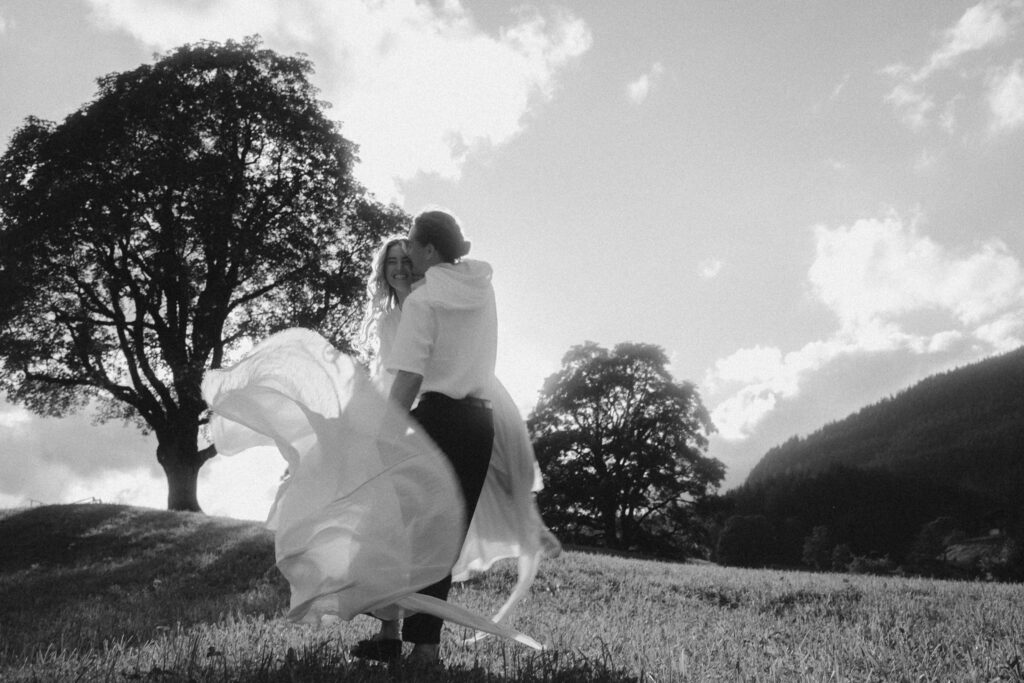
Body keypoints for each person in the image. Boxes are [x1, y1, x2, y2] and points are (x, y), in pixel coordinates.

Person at [352, 231, 560, 664]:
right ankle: (394, 632)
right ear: (382, 272)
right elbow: (392, 378)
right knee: (399, 530)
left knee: (428, 534)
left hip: (428, 419)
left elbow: (411, 378)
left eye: (407, 255)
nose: (401, 265)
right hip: (432, 419)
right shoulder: (440, 299)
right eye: (392, 260)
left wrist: (388, 431)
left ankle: (420, 641)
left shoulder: (433, 300)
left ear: (425, 256)